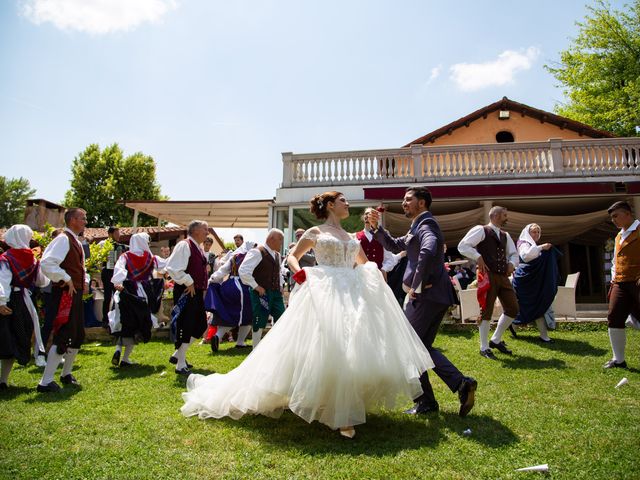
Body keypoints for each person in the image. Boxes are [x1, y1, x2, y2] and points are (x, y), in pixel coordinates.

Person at [181, 191, 434, 439]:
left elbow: (363, 262)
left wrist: (374, 275)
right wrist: (298, 271)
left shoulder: (350, 235)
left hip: (351, 292)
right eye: (343, 200)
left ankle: (342, 403)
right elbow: (292, 256)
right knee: (327, 345)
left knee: (351, 347)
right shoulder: (316, 233)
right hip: (324, 288)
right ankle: (338, 413)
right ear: (330, 206)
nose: (347, 204)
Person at [370, 187, 477, 416]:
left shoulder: (427, 225)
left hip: (426, 296)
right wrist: (376, 229)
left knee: (409, 346)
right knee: (421, 348)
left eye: (409, 199)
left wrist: (416, 286)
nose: (404, 203)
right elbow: (395, 245)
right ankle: (443, 393)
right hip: (435, 296)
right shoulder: (417, 225)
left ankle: (439, 394)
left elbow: (428, 252)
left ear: (422, 203)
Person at [37, 208, 89, 392]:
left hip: (73, 294)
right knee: (63, 334)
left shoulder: (73, 239)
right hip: (64, 295)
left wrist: (83, 281)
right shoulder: (63, 239)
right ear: (73, 220)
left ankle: (66, 374)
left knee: (77, 335)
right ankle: (45, 382)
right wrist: (66, 278)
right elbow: (47, 262)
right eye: (83, 218)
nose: (85, 222)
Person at [458, 206, 519, 359]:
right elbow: (462, 246)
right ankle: (484, 347)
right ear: (496, 215)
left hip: (503, 276)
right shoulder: (481, 230)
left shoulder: (505, 235)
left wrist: (512, 264)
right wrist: (477, 256)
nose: (507, 218)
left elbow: (513, 254)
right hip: (487, 275)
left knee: (513, 308)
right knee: (486, 311)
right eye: (505, 215)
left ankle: (496, 339)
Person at [0, 225, 50, 389]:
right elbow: (42, 282)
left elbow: (3, 281)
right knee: (16, 337)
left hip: (10, 302)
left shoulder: (6, 258)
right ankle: (3, 380)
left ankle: (3, 381)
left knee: (6, 338)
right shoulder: (32, 259)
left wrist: (1, 301)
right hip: (24, 302)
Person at [110, 233, 166, 367]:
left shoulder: (125, 256)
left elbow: (119, 270)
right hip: (144, 293)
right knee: (140, 321)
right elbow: (166, 265)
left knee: (124, 319)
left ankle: (118, 350)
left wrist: (118, 282)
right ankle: (125, 358)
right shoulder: (151, 258)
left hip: (128, 290)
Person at [165, 220, 209, 374]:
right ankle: (180, 364)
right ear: (195, 230)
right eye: (205, 229)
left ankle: (178, 355)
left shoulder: (198, 248)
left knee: (200, 325)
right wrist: (188, 281)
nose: (207, 232)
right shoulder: (185, 245)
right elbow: (173, 268)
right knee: (186, 325)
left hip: (195, 292)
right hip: (186, 291)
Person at [604, 201, 640, 369]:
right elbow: (614, 261)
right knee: (614, 317)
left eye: (616, 216)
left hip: (637, 281)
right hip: (620, 282)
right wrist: (614, 277)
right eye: (612, 217)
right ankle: (618, 359)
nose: (614, 220)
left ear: (628, 214)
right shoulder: (619, 236)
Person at [238, 230, 287, 349]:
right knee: (260, 319)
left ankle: (277, 347)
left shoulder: (277, 255)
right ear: (271, 239)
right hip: (261, 292)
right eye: (280, 240)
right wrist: (256, 286)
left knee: (282, 318)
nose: (281, 244)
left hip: (275, 293)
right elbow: (243, 271)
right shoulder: (257, 252)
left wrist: (280, 285)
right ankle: (256, 348)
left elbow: (279, 272)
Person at [205, 241, 257, 351]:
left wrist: (212, 279)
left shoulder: (234, 256)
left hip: (229, 287)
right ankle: (240, 342)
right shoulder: (253, 256)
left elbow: (222, 270)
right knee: (248, 316)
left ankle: (217, 336)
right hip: (245, 288)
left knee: (229, 315)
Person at [511, 224, 558, 343]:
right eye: (533, 232)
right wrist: (542, 247)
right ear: (527, 232)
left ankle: (514, 326)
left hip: (532, 280)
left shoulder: (533, 245)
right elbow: (526, 256)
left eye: (538, 232)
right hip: (525, 280)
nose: (536, 234)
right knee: (530, 304)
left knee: (535, 304)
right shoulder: (523, 243)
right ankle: (512, 326)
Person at [357, 208, 402, 279]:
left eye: (370, 214)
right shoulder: (356, 236)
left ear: (376, 217)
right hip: (362, 276)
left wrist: (383, 269)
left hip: (378, 276)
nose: (368, 216)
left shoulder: (383, 235)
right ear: (363, 217)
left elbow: (390, 259)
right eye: (366, 214)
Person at [99, 227, 127, 328]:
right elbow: (100, 258)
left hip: (117, 272)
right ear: (110, 234)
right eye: (116, 233)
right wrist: (107, 258)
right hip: (107, 272)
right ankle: (105, 320)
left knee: (118, 296)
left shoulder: (121, 246)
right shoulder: (103, 244)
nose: (119, 235)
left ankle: (115, 317)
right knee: (107, 297)